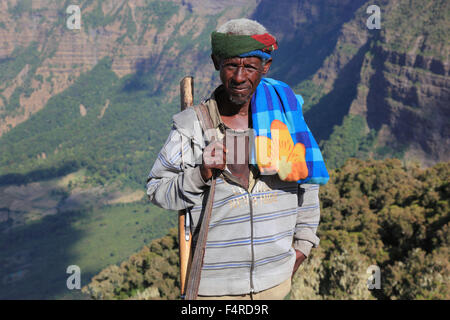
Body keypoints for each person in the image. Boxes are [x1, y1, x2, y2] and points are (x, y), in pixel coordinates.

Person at [146, 18, 328, 300]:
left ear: (265, 67)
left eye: (250, 67)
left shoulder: (286, 118)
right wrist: (201, 173)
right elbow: (157, 191)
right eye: (231, 65)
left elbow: (309, 185)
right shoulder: (192, 126)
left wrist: (300, 250)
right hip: (213, 293)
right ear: (216, 62)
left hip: (278, 286)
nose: (240, 77)